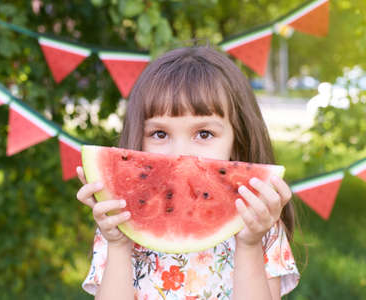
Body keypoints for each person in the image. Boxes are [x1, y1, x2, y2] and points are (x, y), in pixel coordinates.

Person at [76, 46, 299, 300]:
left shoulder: (260, 222)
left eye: (204, 134)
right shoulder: (119, 221)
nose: (181, 153)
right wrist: (117, 245)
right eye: (160, 134)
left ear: (237, 141)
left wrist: (249, 245)